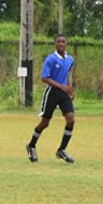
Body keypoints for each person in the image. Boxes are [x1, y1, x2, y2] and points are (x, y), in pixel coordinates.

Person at [25, 34, 76, 164]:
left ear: (66, 43)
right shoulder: (51, 59)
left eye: (63, 42)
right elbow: (45, 78)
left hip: (64, 93)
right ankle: (31, 145)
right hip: (52, 93)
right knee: (45, 123)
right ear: (55, 44)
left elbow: (68, 74)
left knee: (71, 120)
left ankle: (62, 150)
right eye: (58, 42)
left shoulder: (70, 59)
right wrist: (62, 87)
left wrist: (69, 89)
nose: (61, 44)